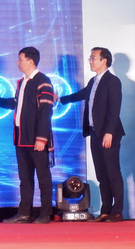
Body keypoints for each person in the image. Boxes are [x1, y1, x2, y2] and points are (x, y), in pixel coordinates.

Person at [57, 47, 125, 222]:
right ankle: (105, 210)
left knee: (112, 173)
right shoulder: (93, 82)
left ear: (104, 60)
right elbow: (81, 95)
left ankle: (117, 211)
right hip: (95, 133)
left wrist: (109, 132)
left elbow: (114, 109)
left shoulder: (113, 81)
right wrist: (61, 99)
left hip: (108, 134)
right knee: (102, 174)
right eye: (90, 58)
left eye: (93, 58)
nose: (90, 61)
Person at [0, 46, 54, 224]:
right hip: (21, 138)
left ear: (30, 61)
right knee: (25, 179)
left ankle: (45, 214)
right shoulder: (23, 82)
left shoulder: (43, 81)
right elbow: (17, 104)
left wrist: (42, 138)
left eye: (20, 59)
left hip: (36, 139)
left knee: (43, 178)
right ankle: (25, 213)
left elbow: (46, 111)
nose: (18, 62)